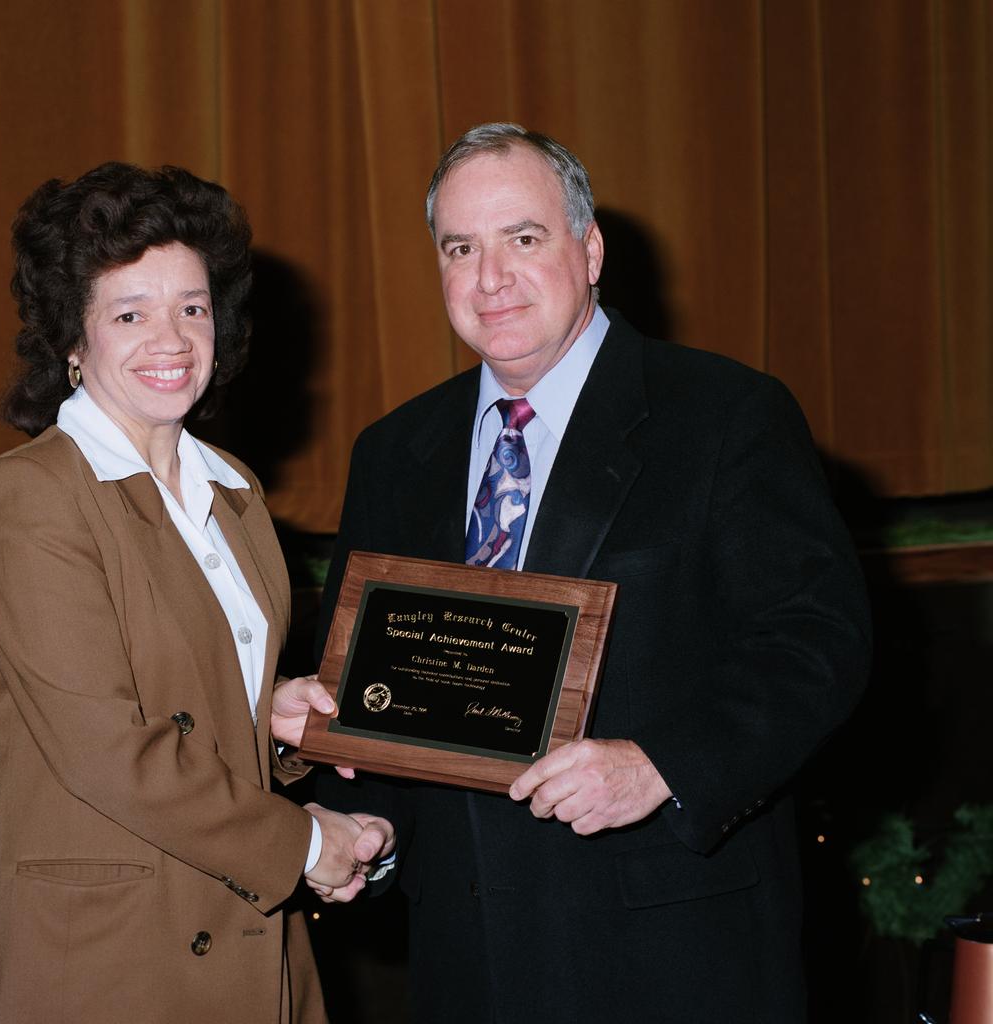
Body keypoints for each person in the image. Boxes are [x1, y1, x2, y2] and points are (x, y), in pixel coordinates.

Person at [313, 124, 871, 1021]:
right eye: (461, 248)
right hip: (467, 959)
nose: (490, 278)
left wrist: (662, 766)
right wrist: (368, 826)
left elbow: (817, 643)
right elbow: (381, 694)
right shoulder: (393, 452)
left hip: (669, 954)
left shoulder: (725, 414)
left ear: (591, 249)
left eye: (523, 238)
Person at [0, 162, 393, 1024]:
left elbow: (194, 699)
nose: (172, 339)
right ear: (73, 340)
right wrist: (307, 842)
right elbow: (105, 749)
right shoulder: (32, 495)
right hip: (114, 951)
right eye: (131, 314)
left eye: (192, 308)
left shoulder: (232, 488)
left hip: (246, 922)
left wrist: (272, 715)